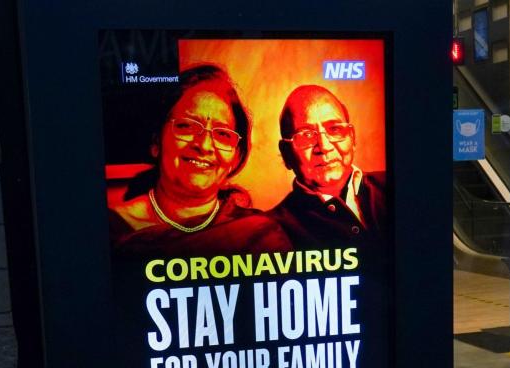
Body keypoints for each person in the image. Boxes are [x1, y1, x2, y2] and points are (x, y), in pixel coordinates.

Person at [110, 65, 290, 256]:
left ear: (236, 157)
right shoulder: (114, 230)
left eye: (222, 134)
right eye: (186, 126)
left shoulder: (258, 235)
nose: (204, 145)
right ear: (156, 142)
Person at [270, 85, 386, 247]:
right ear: (286, 153)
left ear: (352, 138)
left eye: (335, 129)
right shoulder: (272, 231)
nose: (324, 147)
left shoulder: (392, 185)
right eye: (306, 135)